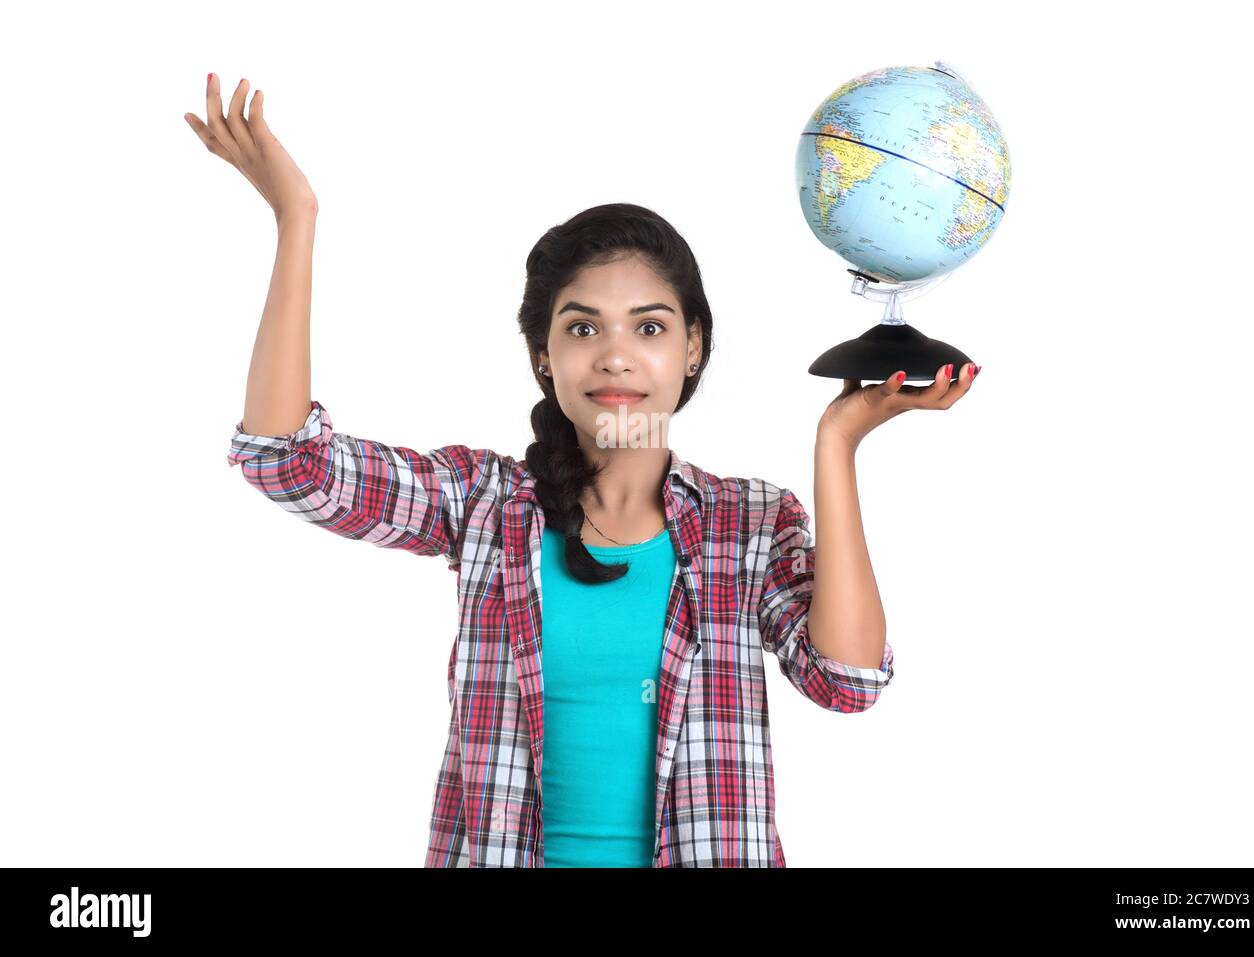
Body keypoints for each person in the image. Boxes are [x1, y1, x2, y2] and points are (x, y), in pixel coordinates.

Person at [187, 74, 978, 868]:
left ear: (693, 347)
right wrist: (298, 218)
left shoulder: (752, 524)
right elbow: (287, 459)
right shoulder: (485, 504)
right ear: (545, 354)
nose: (616, 353)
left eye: (650, 325)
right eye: (583, 325)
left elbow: (847, 680)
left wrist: (837, 444)